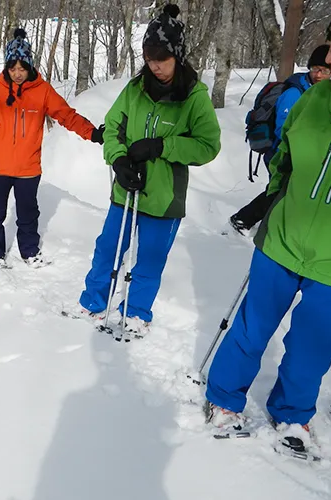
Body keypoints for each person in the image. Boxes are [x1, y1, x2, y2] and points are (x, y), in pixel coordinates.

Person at [205, 0, 331, 455]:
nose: (328, 57)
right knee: (252, 327)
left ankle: (292, 413)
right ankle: (223, 398)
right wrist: (281, 182)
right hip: (283, 237)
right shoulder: (315, 97)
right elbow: (284, 155)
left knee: (313, 348)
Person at [75, 4, 221, 337]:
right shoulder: (135, 90)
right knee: (107, 248)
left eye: (162, 60)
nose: (155, 67)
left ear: (178, 56)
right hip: (126, 189)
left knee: (150, 260)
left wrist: (162, 146)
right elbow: (112, 127)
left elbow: (207, 146)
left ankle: (137, 311)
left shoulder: (194, 97)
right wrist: (118, 160)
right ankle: (93, 302)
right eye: (150, 59)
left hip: (164, 197)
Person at [0, 28, 104, 268]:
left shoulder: (42, 91)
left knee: (28, 213)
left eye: (22, 69)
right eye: (13, 69)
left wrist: (91, 132)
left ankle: (29, 251)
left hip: (28, 167)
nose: (17, 74)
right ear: (7, 68)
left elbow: (66, 115)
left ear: (30, 67)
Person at [229, 45, 331, 234]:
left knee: (281, 190)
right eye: (315, 69)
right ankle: (244, 220)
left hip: (301, 154)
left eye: (325, 71)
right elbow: (283, 129)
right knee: (280, 190)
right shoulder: (295, 93)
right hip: (280, 151)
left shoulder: (322, 92)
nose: (318, 75)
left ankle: (251, 221)